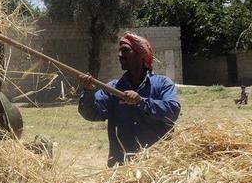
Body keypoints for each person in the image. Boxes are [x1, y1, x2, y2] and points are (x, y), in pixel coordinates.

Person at [77, 32, 181, 167]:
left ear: (140, 54)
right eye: (119, 51)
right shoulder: (113, 88)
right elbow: (91, 113)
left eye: (125, 50)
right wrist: (88, 92)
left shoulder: (163, 84)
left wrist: (142, 102)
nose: (120, 55)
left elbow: (172, 111)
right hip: (123, 166)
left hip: (157, 165)